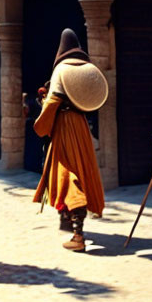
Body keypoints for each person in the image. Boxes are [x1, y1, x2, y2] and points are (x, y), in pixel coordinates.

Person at [33, 29, 108, 252]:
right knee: (79, 173)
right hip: (81, 127)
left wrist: (41, 124)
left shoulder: (61, 70)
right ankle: (68, 219)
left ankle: (78, 235)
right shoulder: (88, 70)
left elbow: (53, 102)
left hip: (64, 127)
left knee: (68, 176)